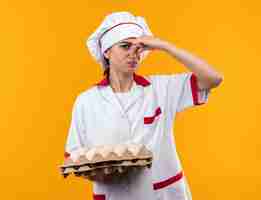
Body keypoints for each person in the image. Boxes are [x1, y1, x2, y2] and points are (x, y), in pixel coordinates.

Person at [63, 11, 223, 200]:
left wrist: (163, 45)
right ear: (107, 51)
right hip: (114, 194)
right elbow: (74, 156)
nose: (133, 54)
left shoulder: (161, 89)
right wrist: (100, 173)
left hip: (164, 194)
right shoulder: (86, 102)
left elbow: (213, 78)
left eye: (138, 48)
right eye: (125, 46)